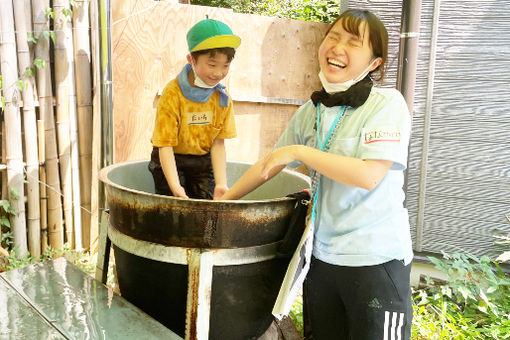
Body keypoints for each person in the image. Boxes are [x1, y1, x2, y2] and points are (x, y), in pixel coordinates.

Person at [220, 9, 413, 340]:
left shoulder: (386, 105)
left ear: (375, 63)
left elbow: (369, 176)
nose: (338, 47)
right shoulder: (310, 111)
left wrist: (300, 152)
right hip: (321, 260)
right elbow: (271, 163)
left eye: (353, 42)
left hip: (375, 262)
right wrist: (225, 201)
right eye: (334, 37)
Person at [149, 17, 241, 199]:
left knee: (205, 209)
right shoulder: (173, 94)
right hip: (170, 159)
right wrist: (175, 187)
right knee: (175, 210)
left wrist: (222, 183)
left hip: (202, 161)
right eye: (212, 64)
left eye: (226, 66)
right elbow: (164, 145)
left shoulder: (221, 98)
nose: (218, 73)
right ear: (191, 59)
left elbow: (218, 142)